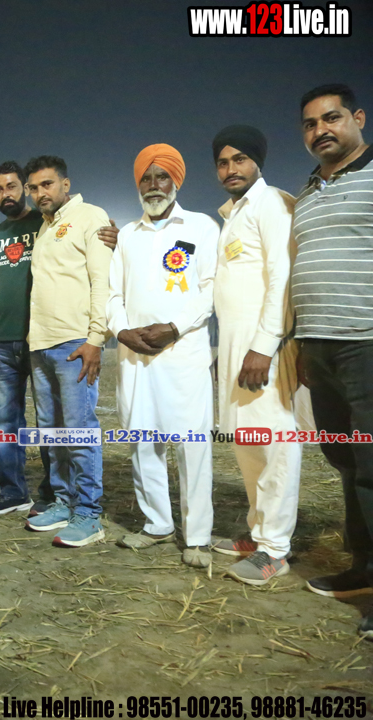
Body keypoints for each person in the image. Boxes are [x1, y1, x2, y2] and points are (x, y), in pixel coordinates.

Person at [106, 144, 218, 568]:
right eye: (146, 178)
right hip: (136, 356)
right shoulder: (128, 236)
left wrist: (173, 327)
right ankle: (157, 524)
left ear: (176, 181)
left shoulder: (202, 227)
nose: (153, 185)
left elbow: (210, 289)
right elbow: (113, 294)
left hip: (183, 354)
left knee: (192, 444)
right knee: (142, 440)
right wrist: (121, 331)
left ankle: (198, 536)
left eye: (162, 177)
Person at [292, 84, 373, 629]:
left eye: (332, 117)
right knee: (346, 461)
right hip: (319, 346)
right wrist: (301, 342)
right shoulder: (308, 191)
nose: (321, 129)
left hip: (365, 342)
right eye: (310, 124)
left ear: (357, 118)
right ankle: (362, 566)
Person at [211, 125, 302, 585]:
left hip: (263, 349)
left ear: (257, 162)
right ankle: (258, 533)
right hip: (235, 348)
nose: (231, 169)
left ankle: (276, 549)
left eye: (240, 159)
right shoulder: (234, 214)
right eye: (223, 162)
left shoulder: (271, 203)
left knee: (275, 444)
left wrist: (264, 346)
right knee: (247, 445)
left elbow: (282, 276)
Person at [22, 155, 112, 547]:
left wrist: (96, 338)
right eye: (34, 187)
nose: (40, 193)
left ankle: (89, 515)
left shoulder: (91, 217)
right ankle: (62, 501)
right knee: (51, 432)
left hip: (76, 343)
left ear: (65, 184)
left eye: (47, 184)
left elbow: (101, 280)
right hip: (40, 344)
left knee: (78, 431)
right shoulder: (44, 229)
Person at [0, 161, 54, 515]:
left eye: (11, 186)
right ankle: (13, 492)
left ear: (25, 187)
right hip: (3, 341)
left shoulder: (44, 222)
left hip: (39, 338)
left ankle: (53, 493)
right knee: (5, 422)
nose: (5, 194)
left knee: (47, 419)